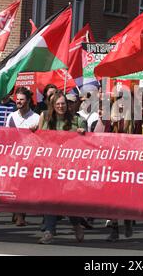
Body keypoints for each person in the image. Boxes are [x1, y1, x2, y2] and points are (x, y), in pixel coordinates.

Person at [36, 91, 87, 244]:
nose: (60, 106)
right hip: (50, 166)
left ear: (67, 105)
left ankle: (76, 224)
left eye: (63, 103)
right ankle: (49, 231)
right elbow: (40, 139)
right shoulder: (46, 118)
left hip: (70, 167)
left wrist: (82, 133)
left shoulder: (77, 120)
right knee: (50, 198)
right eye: (57, 104)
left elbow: (87, 143)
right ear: (53, 105)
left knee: (67, 200)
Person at [5, 87, 40, 226]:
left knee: (25, 188)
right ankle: (18, 214)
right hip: (14, 157)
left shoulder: (36, 118)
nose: (18, 102)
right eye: (17, 100)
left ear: (28, 101)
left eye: (21, 100)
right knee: (15, 187)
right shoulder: (11, 117)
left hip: (30, 158)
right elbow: (7, 136)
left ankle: (20, 213)